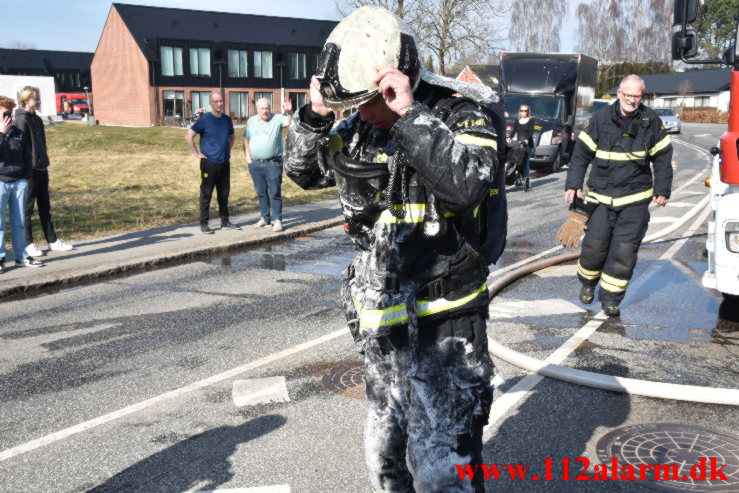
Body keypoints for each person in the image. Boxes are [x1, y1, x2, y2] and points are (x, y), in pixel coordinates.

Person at [283, 6, 505, 492]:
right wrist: (315, 115)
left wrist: (410, 116)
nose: (361, 114)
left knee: (443, 466)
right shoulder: (359, 127)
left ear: (396, 83)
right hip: (385, 326)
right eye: (353, 106)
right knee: (385, 458)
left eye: (368, 102)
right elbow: (303, 172)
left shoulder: (460, 115)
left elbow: (469, 185)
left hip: (445, 322)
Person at [564, 74, 672, 317]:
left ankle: (611, 299)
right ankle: (588, 283)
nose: (633, 101)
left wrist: (662, 190)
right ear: (619, 94)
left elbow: (663, 157)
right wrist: (573, 184)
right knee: (595, 246)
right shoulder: (600, 119)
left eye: (638, 96)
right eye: (629, 95)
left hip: (634, 199)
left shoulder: (651, 121)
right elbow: (580, 155)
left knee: (624, 251)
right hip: (600, 198)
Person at [15, 87, 74, 257]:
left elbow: (42, 145)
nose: (39, 101)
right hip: (30, 171)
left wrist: (44, 161)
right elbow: (20, 148)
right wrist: (25, 170)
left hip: (42, 168)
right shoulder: (21, 120)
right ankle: (28, 243)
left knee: (45, 206)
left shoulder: (37, 120)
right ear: (27, 100)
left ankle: (52, 241)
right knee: (27, 208)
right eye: (36, 98)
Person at [0, 95, 44, 271]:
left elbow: (27, 155)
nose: (7, 117)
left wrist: (25, 178)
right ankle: (1, 257)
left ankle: (21, 256)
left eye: (9, 113)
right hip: (1, 182)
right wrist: (1, 134)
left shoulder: (19, 133)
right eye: (4, 113)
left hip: (19, 182)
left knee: (19, 222)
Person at [185, 92, 239, 234]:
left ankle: (225, 221)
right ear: (211, 103)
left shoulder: (227, 119)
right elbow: (189, 136)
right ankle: (204, 224)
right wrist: (197, 154)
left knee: (224, 193)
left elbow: (232, 136)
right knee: (206, 194)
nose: (219, 104)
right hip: (208, 164)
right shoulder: (204, 119)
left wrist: (227, 150)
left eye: (221, 101)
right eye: (216, 101)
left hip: (224, 163)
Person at [243, 97, 293, 233]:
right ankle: (265, 218)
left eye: (267, 108)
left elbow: (289, 122)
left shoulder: (277, 118)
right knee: (261, 192)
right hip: (256, 164)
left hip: (273, 163)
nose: (265, 111)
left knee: (275, 192)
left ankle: (277, 220)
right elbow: (246, 138)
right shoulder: (251, 121)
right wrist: (248, 159)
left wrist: (289, 112)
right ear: (257, 109)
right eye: (263, 109)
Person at [509, 105, 534, 191]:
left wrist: (527, 139)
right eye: (522, 110)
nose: (523, 112)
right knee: (517, 163)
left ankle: (527, 180)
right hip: (519, 146)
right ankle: (517, 178)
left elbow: (531, 131)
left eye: (525, 110)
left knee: (526, 163)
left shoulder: (531, 120)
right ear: (519, 111)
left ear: (528, 111)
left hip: (528, 146)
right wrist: (509, 138)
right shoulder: (517, 120)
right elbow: (514, 130)